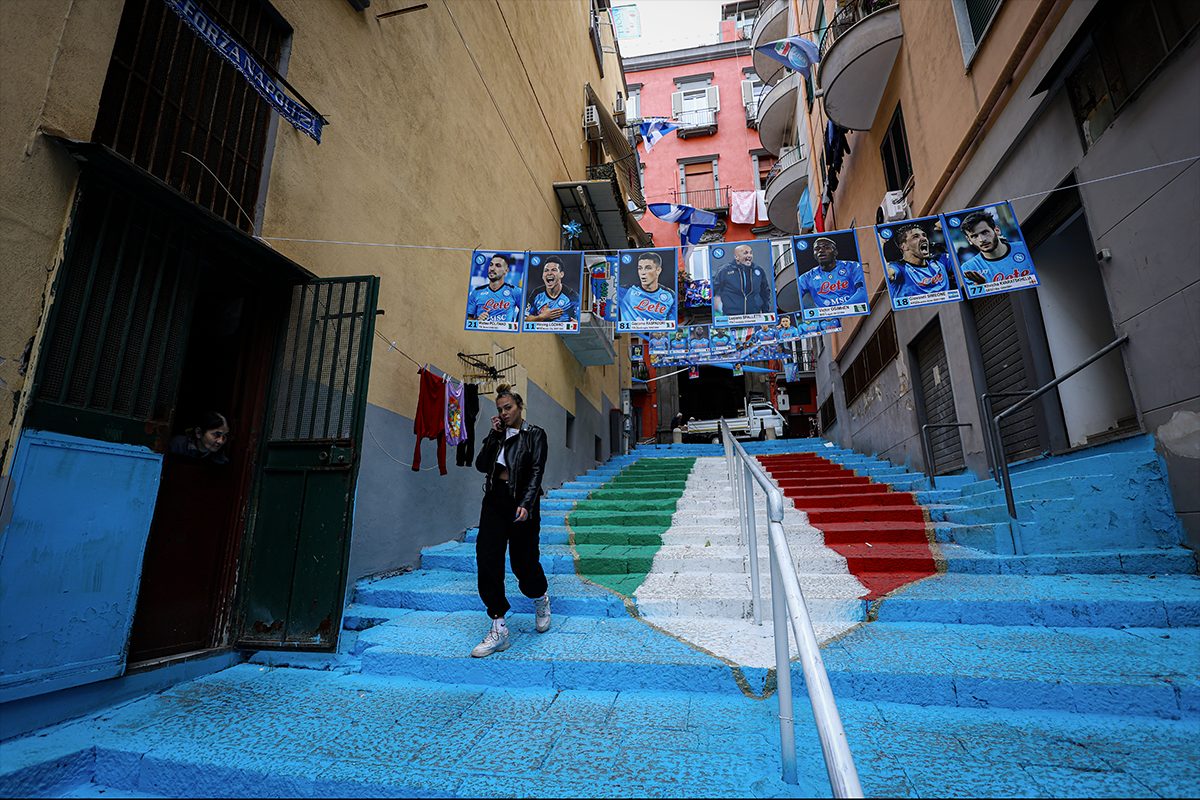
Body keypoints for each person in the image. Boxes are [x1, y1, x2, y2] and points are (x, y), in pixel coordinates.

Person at [471, 384, 550, 657]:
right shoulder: (498, 435)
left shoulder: (535, 434)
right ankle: (498, 625)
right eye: (500, 409)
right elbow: (482, 465)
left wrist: (526, 503)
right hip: (495, 500)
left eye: (508, 408)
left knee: (523, 562)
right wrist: (494, 436)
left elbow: (536, 471)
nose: (504, 413)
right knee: (487, 557)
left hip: (522, 501)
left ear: (519, 407)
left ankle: (539, 597)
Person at [958, 210, 1034, 285]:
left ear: (997, 230)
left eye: (985, 232)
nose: (982, 239)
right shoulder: (968, 268)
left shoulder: (1024, 248)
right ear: (969, 240)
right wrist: (981, 286)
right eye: (974, 236)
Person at [795, 237, 868, 313]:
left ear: (835, 252)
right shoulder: (806, 278)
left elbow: (863, 291)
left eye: (826, 247)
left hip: (855, 313)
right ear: (814, 254)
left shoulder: (853, 266)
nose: (821, 250)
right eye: (817, 249)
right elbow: (795, 300)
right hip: (826, 317)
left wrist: (842, 310)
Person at [885, 223, 956, 299]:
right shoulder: (898, 268)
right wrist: (880, 243)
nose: (923, 238)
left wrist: (946, 225)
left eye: (924, 235)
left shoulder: (941, 261)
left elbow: (959, 266)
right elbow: (888, 275)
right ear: (904, 246)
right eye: (916, 236)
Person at [713, 244, 773, 319]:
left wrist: (765, 312)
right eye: (745, 253)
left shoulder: (758, 270)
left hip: (755, 317)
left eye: (751, 253)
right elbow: (713, 290)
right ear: (736, 257)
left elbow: (765, 292)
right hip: (732, 318)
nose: (749, 255)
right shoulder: (725, 270)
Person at [618, 252, 675, 323]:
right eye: (640, 268)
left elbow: (672, 323)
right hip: (630, 330)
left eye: (648, 268)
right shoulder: (625, 291)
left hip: (658, 330)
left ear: (658, 270)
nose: (643, 272)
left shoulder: (670, 295)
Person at [467, 254, 522, 324]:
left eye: (498, 265)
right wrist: (477, 321)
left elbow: (525, 313)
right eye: (491, 265)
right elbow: (468, 319)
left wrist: (516, 325)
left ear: (506, 270)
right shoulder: (476, 292)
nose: (492, 268)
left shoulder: (515, 291)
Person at [524, 256, 579, 322]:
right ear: (542, 276)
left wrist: (575, 324)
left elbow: (578, 321)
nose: (549, 273)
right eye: (546, 270)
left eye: (554, 270)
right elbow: (525, 319)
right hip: (541, 328)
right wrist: (541, 317)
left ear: (561, 274)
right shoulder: (537, 293)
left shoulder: (572, 296)